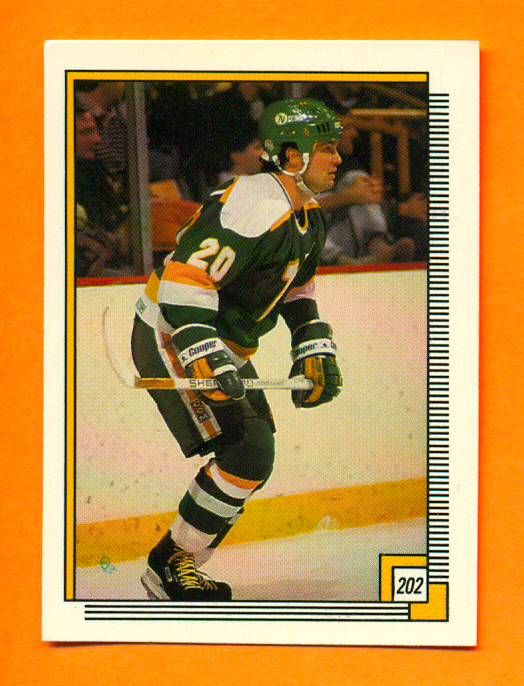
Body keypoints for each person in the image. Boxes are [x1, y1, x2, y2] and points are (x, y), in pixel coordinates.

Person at [131, 98, 344, 601]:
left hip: (214, 340)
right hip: (172, 331)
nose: (338, 159)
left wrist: (311, 343)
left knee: (253, 451)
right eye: (326, 148)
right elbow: (184, 280)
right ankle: (170, 565)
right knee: (248, 449)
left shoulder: (307, 215)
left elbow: (296, 290)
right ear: (291, 156)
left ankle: (175, 562)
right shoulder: (253, 204)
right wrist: (201, 351)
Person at [318, 114, 415, 265]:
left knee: (356, 178)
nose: (354, 133)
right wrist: (348, 196)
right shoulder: (298, 162)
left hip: (345, 242)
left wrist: (368, 192)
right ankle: (350, 265)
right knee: (297, 221)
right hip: (319, 253)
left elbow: (367, 200)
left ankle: (379, 249)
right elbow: (293, 208)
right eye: (347, 128)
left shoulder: (347, 162)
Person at [74, 108, 129, 277]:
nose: (97, 139)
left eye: (96, 132)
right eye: (86, 132)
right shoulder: (64, 178)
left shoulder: (94, 168)